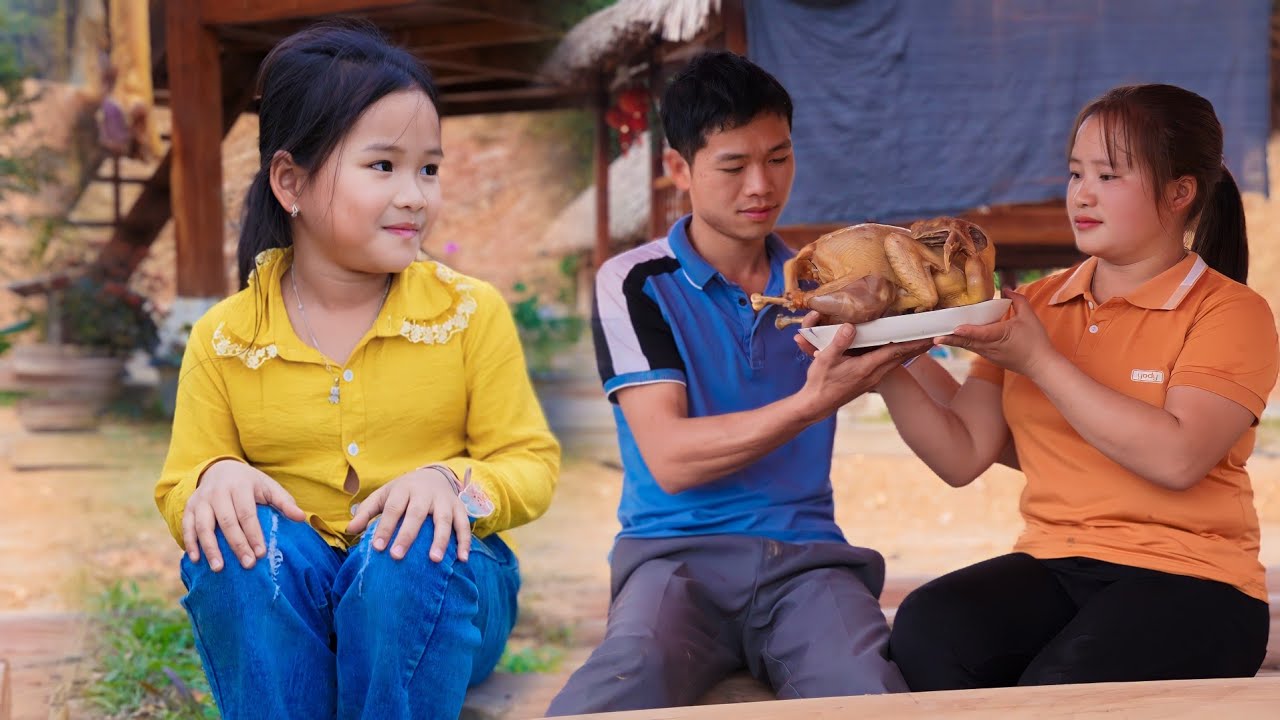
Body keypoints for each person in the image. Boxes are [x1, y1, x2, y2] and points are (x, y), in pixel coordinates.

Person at [153, 22, 559, 719]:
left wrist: (451, 484)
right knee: (232, 538)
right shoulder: (225, 337)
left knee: (416, 539)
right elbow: (179, 484)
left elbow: (530, 463)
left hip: (444, 588)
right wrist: (211, 477)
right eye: (383, 166)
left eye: (428, 168)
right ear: (291, 182)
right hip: (294, 593)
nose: (415, 195)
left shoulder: (469, 312)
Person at [545, 51, 929, 716]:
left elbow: (948, 425)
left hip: (807, 565)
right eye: (733, 165)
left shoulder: (828, 283)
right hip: (672, 561)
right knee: (603, 699)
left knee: (874, 700)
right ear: (677, 171)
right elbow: (670, 457)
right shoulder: (634, 282)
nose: (762, 185)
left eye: (778, 158)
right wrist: (814, 401)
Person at [872, 83, 1278, 689]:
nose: (1081, 195)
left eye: (1109, 175)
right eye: (1075, 174)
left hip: (1196, 579)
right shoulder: (1035, 303)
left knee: (1066, 687)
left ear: (1179, 192)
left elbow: (1178, 458)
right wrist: (882, 365)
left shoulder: (1229, 311)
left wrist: (1040, 362)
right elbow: (962, 454)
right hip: (1055, 561)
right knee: (930, 628)